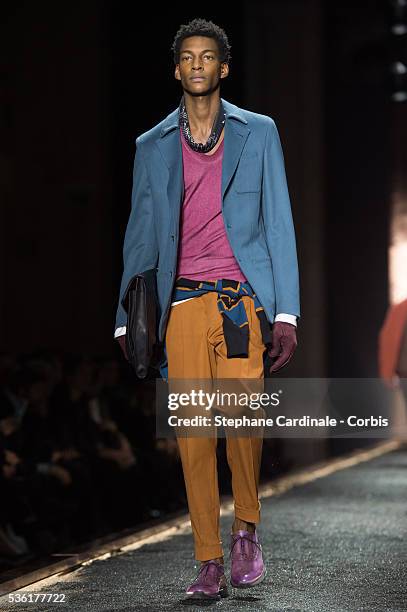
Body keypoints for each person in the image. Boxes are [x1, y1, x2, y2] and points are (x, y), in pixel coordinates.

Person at [114, 18, 300, 600]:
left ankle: (246, 526)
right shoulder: (152, 146)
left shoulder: (259, 133)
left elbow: (279, 224)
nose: (197, 64)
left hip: (242, 303)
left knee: (242, 426)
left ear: (223, 68)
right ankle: (208, 560)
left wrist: (288, 312)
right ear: (177, 69)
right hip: (184, 306)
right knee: (195, 437)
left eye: (208, 56)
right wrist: (125, 314)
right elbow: (140, 235)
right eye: (187, 57)